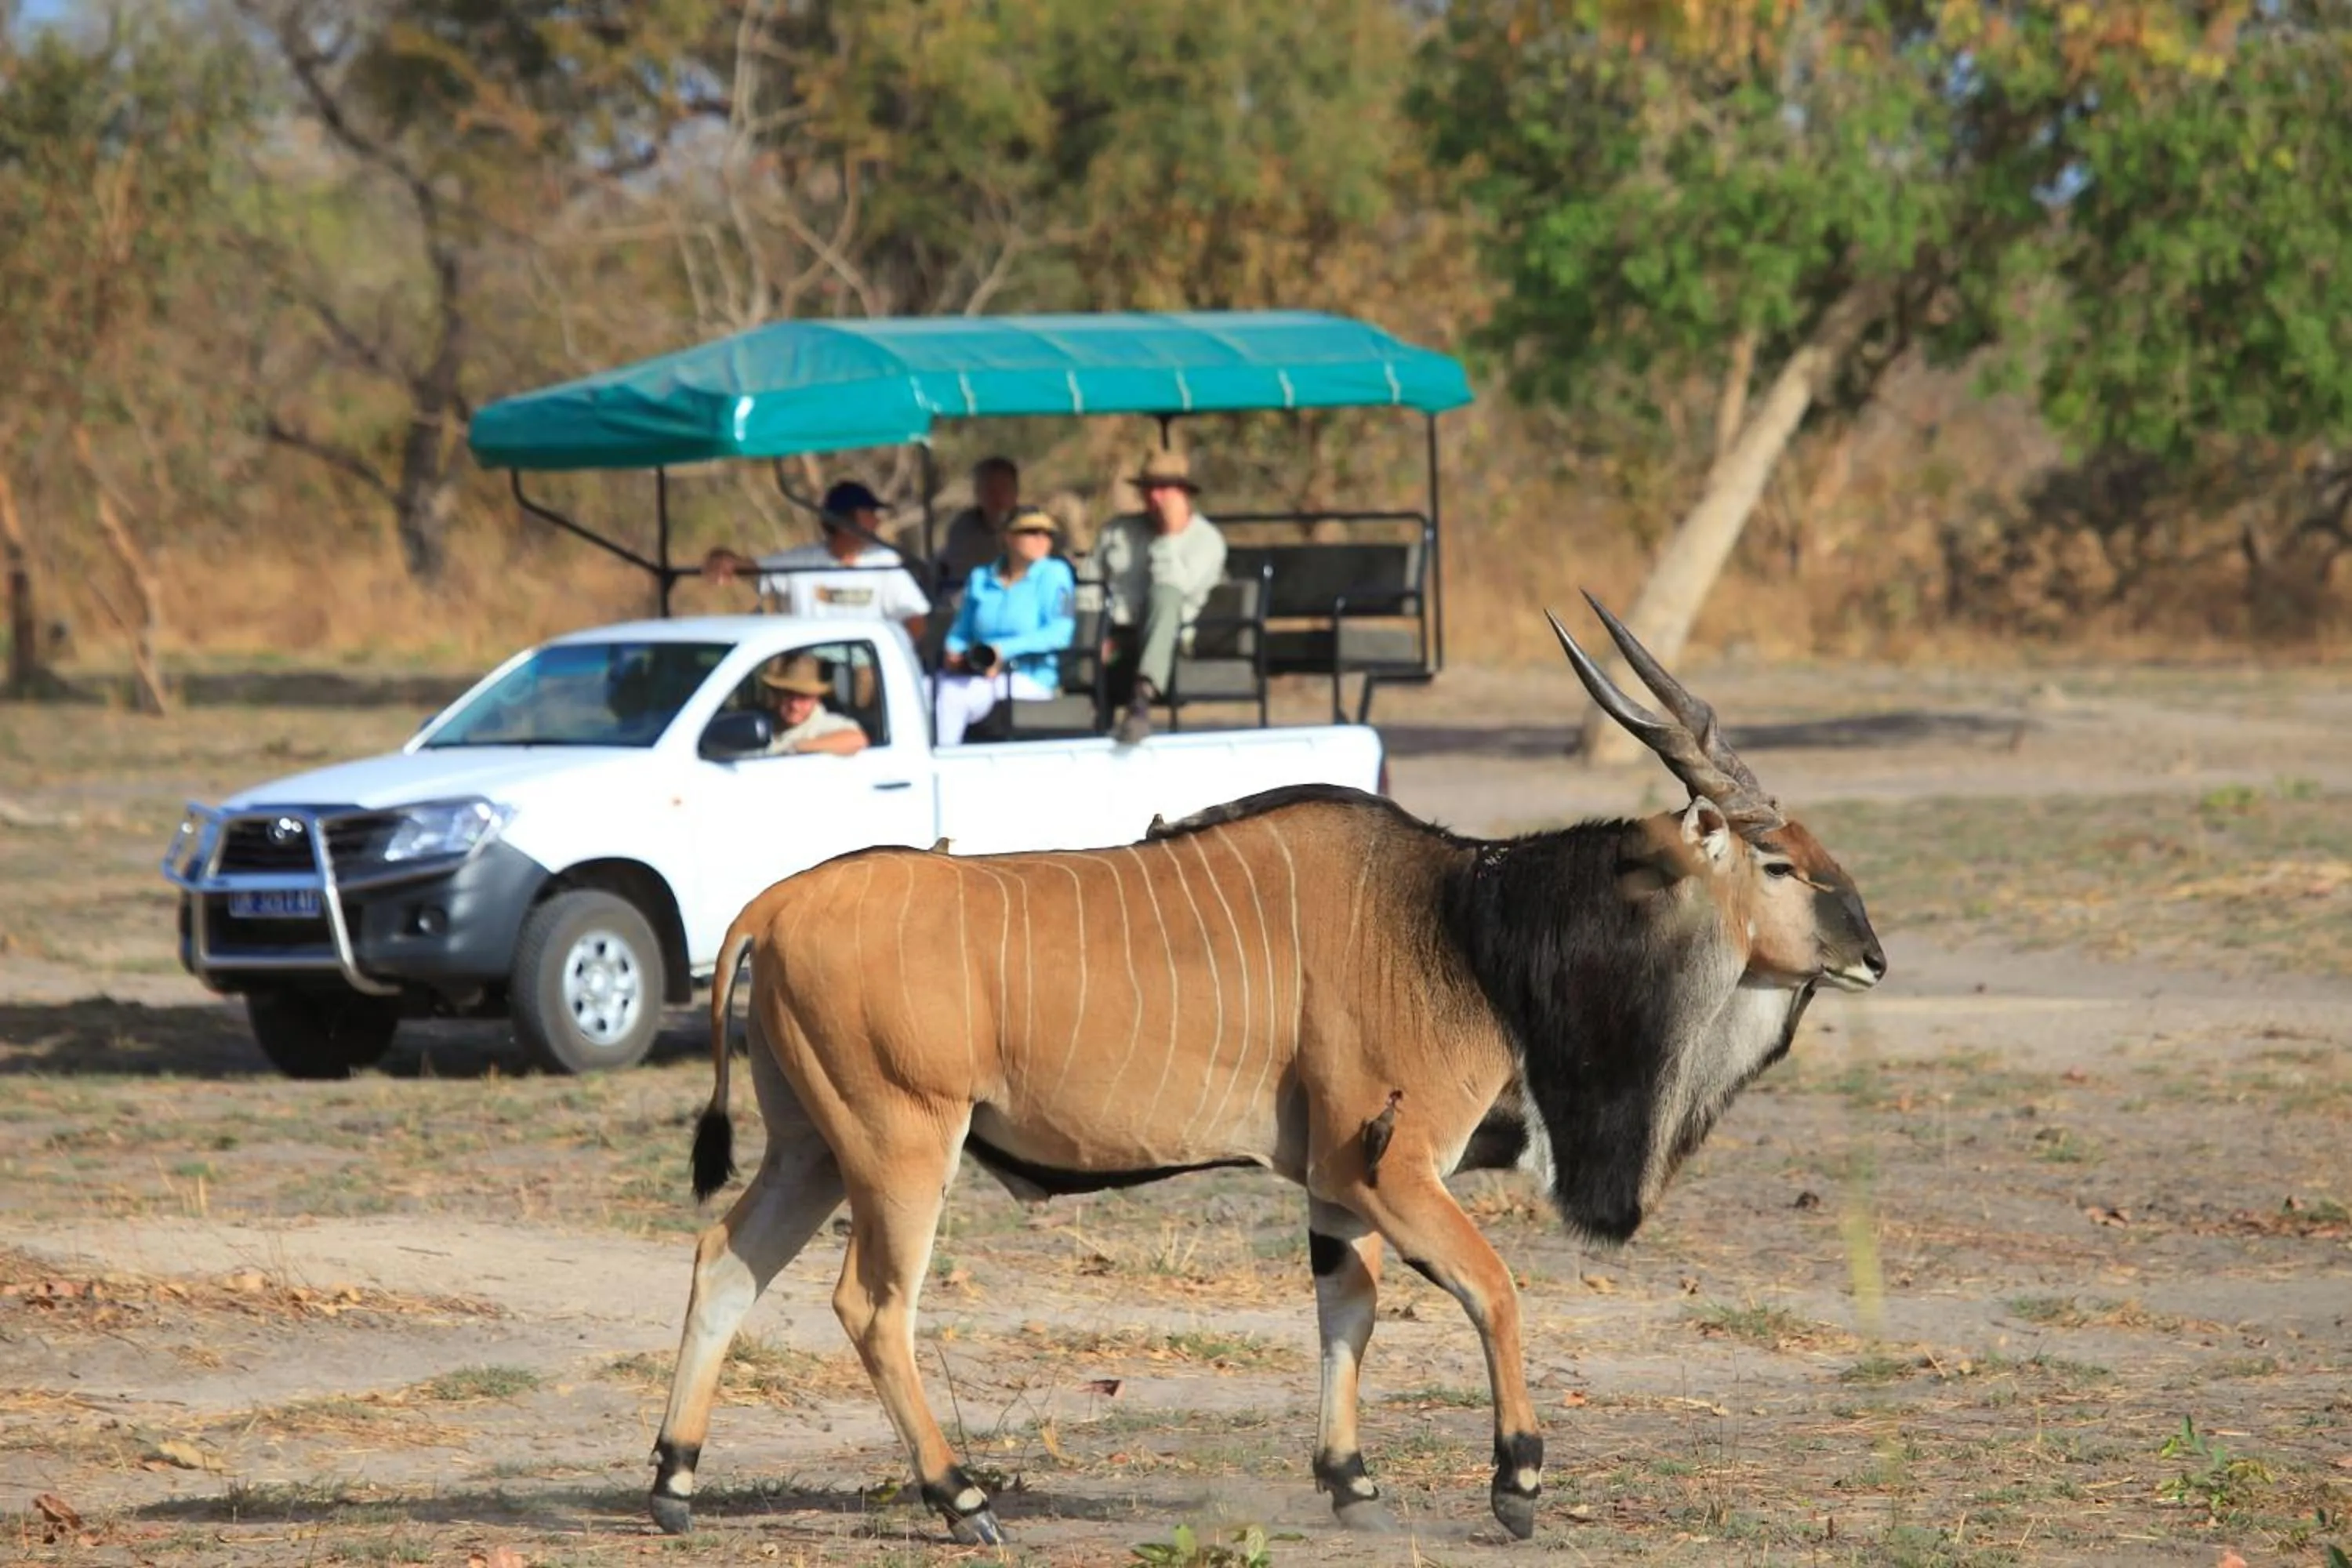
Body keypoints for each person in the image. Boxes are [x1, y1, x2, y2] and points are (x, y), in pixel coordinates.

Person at [1094, 448, 1226, 745]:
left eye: (1164, 489)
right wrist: (1093, 633)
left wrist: (1169, 535)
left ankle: (1141, 698)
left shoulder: (1206, 540)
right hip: (1115, 639)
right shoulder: (1118, 531)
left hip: (1172, 641)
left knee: (1165, 594)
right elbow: (1089, 582)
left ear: (1183, 493)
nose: (1155, 497)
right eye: (1149, 488)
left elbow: (1175, 585)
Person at [702, 481, 930, 643]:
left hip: (866, 670)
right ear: (845, 522)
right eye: (869, 513)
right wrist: (723, 559)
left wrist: (885, 657)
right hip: (810, 669)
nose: (877, 521)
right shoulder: (803, 561)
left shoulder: (885, 561)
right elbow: (750, 568)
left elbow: (915, 619)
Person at [931, 507, 1077, 746]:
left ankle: (941, 765)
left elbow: (1061, 633)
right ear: (1008, 537)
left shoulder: (1056, 575)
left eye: (1047, 533)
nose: (1042, 538)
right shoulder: (980, 578)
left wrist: (1001, 651)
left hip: (1027, 676)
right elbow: (961, 631)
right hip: (977, 672)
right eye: (1031, 531)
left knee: (952, 697)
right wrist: (954, 653)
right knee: (924, 689)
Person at [754, 653, 868, 757]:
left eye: (803, 697)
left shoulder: (825, 725)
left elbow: (856, 740)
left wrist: (796, 748)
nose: (794, 705)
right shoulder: (762, 723)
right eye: (789, 695)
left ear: (816, 698)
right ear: (779, 696)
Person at [935, 456, 1023, 589]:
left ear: (1016, 491)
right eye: (989, 490)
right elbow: (956, 573)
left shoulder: (1033, 527)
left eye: (1004, 489)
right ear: (977, 492)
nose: (997, 497)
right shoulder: (963, 529)